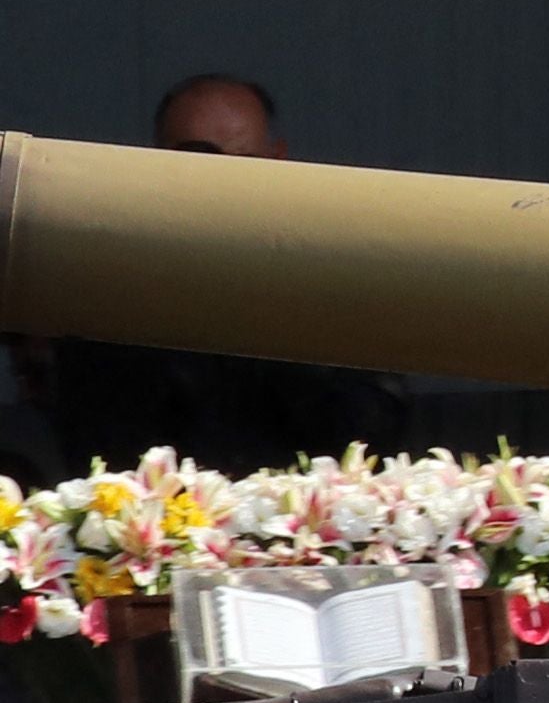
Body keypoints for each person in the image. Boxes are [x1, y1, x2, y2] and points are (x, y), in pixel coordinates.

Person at [37, 76, 406, 475]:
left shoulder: (334, 275)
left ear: (278, 162)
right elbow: (101, 449)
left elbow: (372, 436)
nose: (219, 183)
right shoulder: (113, 289)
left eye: (242, 164)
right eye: (197, 159)